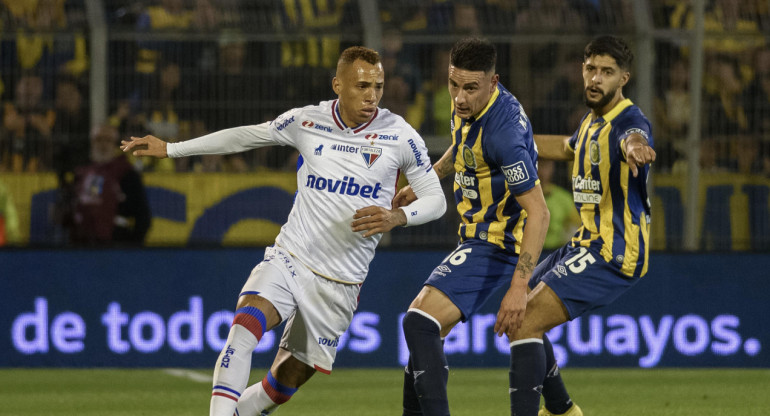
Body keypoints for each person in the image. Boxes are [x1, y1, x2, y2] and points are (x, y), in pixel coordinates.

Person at [120, 46, 446, 416]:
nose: (371, 95)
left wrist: (397, 218)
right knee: (246, 325)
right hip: (292, 256)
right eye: (361, 85)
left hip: (340, 282)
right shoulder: (307, 121)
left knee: (283, 384)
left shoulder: (400, 135)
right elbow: (245, 136)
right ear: (338, 84)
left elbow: (436, 200)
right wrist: (172, 149)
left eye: (378, 85)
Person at [393, 37, 550, 416]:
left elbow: (540, 213)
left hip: (497, 243)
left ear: (493, 82)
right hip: (478, 236)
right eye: (453, 85)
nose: (459, 97)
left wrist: (517, 288)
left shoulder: (504, 136)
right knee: (423, 338)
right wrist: (427, 181)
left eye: (470, 88)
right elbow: (463, 147)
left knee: (419, 323)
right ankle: (560, 405)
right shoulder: (474, 105)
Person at [521, 35, 656, 416]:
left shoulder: (627, 119)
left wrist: (634, 147)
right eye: (590, 69)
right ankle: (562, 409)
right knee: (519, 309)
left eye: (607, 72)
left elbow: (635, 136)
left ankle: (557, 411)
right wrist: (512, 143)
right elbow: (567, 147)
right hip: (586, 243)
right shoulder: (590, 123)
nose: (596, 79)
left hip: (615, 251)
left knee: (524, 320)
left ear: (624, 78)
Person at [64, 123, 151, 246]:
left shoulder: (128, 175)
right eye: (99, 139)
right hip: (82, 247)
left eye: (108, 140)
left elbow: (143, 217)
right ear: (92, 142)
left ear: (115, 144)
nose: (103, 145)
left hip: (116, 246)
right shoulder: (80, 173)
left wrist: (132, 249)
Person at [538, 159, 580, 251]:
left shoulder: (563, 198)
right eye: (536, 165)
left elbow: (580, 226)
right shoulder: (519, 197)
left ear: (552, 168)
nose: (540, 171)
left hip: (554, 252)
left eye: (545, 166)